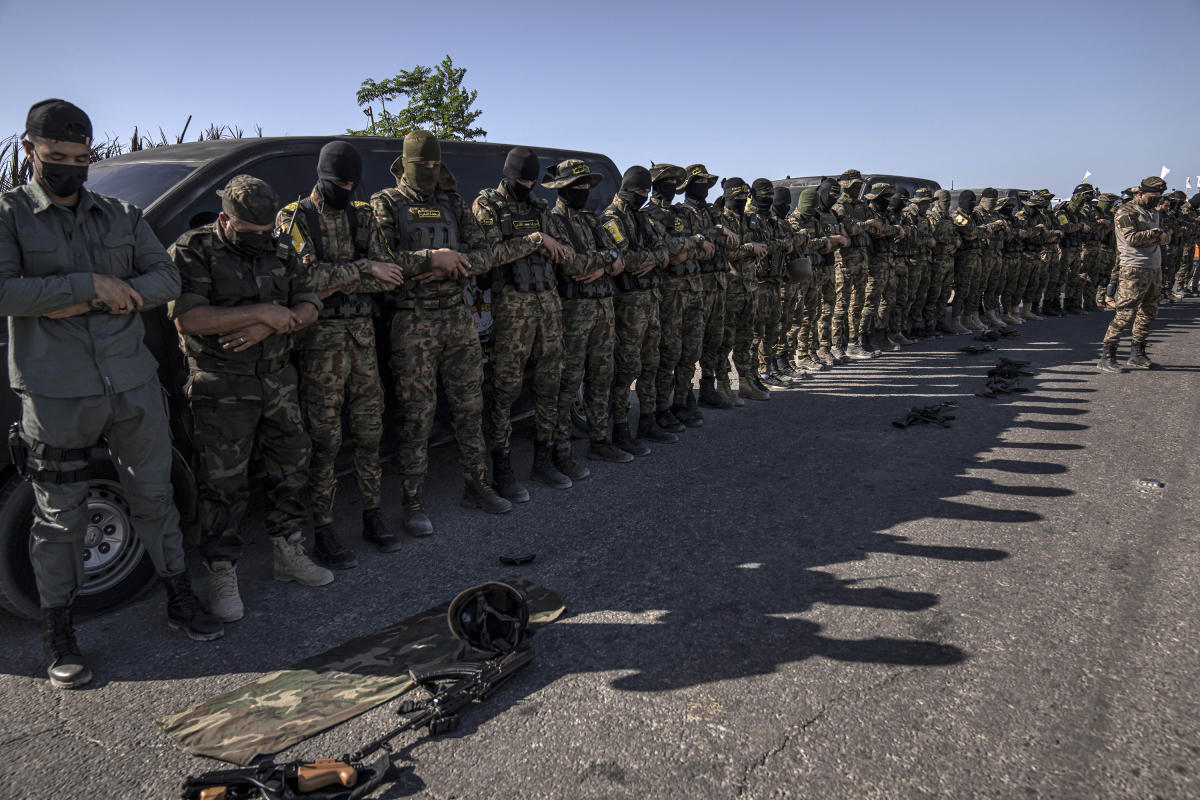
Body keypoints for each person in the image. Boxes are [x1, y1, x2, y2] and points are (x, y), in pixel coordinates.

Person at [0, 99, 221, 688]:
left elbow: (165, 278)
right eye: (56, 158)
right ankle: (60, 633)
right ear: (29, 151)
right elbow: (4, 290)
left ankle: (179, 597)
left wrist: (90, 295)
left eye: (80, 158)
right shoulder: (9, 215)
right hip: (56, 394)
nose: (70, 168)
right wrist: (85, 283)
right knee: (59, 518)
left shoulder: (121, 214)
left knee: (155, 497)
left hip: (131, 382)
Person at [171, 175, 332, 622]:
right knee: (223, 483)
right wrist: (260, 310)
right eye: (249, 233)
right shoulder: (194, 250)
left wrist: (273, 323)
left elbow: (309, 304)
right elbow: (188, 319)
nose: (259, 241)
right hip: (222, 384)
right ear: (225, 219)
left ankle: (288, 552)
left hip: (278, 379)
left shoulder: (280, 248)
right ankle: (222, 569)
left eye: (265, 232)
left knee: (290, 467)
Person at [371, 130, 512, 531]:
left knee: (470, 408)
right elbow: (380, 258)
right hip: (412, 321)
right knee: (417, 416)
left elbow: (485, 249)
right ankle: (413, 502)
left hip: (457, 315)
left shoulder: (451, 201)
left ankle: (477, 485)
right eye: (423, 166)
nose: (431, 172)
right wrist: (430, 259)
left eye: (436, 164)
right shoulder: (386, 203)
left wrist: (456, 261)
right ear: (406, 164)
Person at [276, 141, 404, 569]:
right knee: (326, 440)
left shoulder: (363, 214)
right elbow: (302, 278)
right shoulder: (295, 217)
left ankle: (372, 513)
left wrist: (344, 278)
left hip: (362, 339)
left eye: (351, 183)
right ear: (321, 177)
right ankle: (324, 527)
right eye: (338, 183)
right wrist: (363, 269)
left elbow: (391, 274)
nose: (346, 189)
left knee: (370, 432)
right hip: (319, 347)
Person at [473, 147, 572, 500]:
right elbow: (486, 256)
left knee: (550, 384)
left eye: (532, 180)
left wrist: (547, 243)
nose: (528, 185)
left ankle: (544, 459)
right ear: (508, 175)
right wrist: (535, 240)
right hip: (511, 309)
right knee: (505, 392)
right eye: (522, 179)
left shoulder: (541, 208)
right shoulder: (487, 205)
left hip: (547, 305)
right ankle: (501, 469)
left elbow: (565, 254)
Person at [540, 158, 632, 466]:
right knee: (568, 383)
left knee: (601, 378)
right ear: (561, 188)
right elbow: (571, 265)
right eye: (576, 186)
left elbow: (621, 256)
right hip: (574, 313)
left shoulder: (595, 219)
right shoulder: (551, 221)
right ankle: (561, 452)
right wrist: (606, 261)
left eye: (585, 185)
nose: (582, 190)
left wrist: (605, 260)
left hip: (603, 310)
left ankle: (599, 441)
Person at [595, 166, 673, 453]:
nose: (643, 196)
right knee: (626, 368)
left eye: (646, 192)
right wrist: (651, 258)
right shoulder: (609, 219)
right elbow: (623, 258)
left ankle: (648, 419)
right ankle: (620, 428)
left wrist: (651, 259)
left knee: (650, 362)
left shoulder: (644, 218)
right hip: (627, 305)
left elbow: (665, 253)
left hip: (651, 300)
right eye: (639, 191)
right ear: (627, 187)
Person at [643, 163, 710, 428]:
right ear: (655, 185)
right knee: (668, 352)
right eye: (666, 181)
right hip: (669, 293)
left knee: (690, 350)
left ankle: (681, 401)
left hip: (694, 288)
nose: (671, 186)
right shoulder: (648, 215)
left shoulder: (682, 212)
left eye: (674, 181)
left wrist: (692, 245)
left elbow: (705, 245)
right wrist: (694, 242)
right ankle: (662, 407)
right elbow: (668, 248)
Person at [677, 165, 738, 408]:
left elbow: (731, 239)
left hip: (718, 282)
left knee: (715, 339)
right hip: (697, 284)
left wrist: (715, 232)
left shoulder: (712, 212)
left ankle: (708, 387)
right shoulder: (681, 212)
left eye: (706, 181)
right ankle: (685, 394)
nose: (703, 185)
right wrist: (713, 234)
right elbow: (688, 241)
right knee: (692, 342)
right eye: (698, 181)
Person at [1098, 176, 1170, 372]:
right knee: (1125, 313)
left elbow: (1165, 236)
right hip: (1133, 268)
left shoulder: (1152, 212)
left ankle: (1137, 353)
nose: (1157, 200)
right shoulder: (1126, 211)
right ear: (1140, 193)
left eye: (1159, 197)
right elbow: (1131, 238)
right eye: (1153, 196)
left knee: (1149, 312)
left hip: (1154, 267)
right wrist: (1155, 235)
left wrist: (1159, 235)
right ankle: (1108, 355)